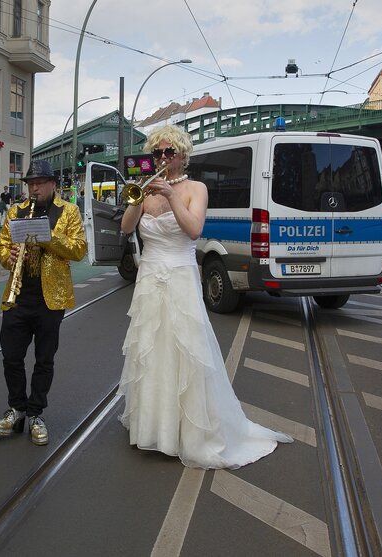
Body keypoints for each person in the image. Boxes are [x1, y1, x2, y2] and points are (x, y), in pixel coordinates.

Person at [117, 125, 292, 469]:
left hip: (180, 278)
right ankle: (153, 428)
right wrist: (137, 199)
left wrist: (169, 195)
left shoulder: (195, 188)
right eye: (157, 153)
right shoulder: (143, 190)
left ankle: (187, 432)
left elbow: (194, 230)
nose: (163, 158)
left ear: (182, 154)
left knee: (184, 352)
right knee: (151, 352)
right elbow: (125, 228)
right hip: (150, 279)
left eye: (169, 152)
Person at [0, 160, 87, 445]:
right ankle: (17, 408)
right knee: (11, 357)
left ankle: (35, 413)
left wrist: (47, 235)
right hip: (19, 295)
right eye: (30, 184)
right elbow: (2, 245)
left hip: (51, 298)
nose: (34, 189)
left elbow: (79, 249)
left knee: (44, 360)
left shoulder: (68, 211)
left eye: (39, 183)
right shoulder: (16, 211)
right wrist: (5, 257)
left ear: (52, 184)